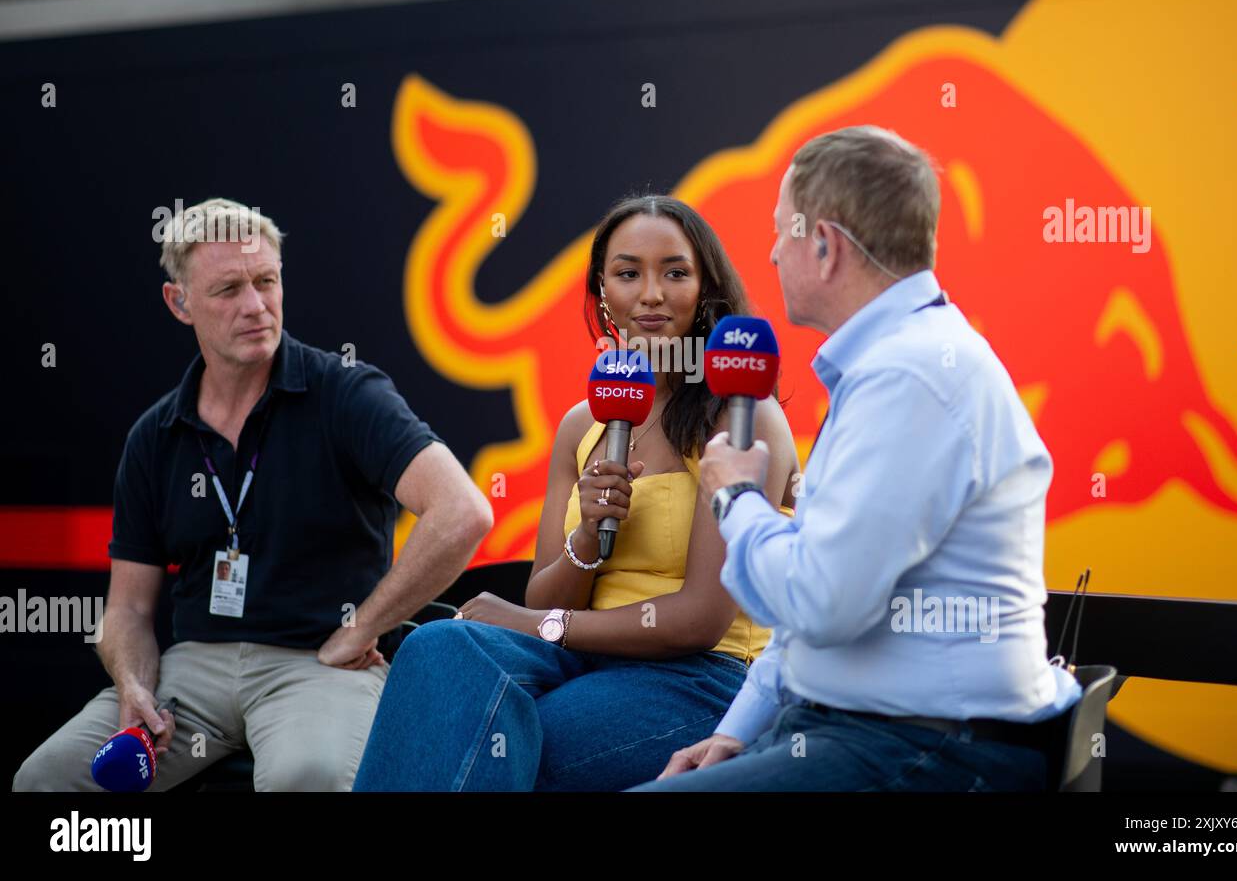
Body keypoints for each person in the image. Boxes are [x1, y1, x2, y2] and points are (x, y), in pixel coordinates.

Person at [633, 127, 1081, 792]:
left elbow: (822, 601)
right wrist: (736, 731)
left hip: (923, 750)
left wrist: (736, 499)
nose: (771, 253)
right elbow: (818, 605)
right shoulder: (900, 361)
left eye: (783, 232)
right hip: (874, 733)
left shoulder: (910, 375)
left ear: (824, 244)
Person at [13, 198, 492, 792]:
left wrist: (362, 627)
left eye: (266, 281)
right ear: (179, 302)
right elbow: (128, 610)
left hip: (317, 664)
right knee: (45, 780)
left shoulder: (345, 394)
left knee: (306, 777)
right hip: (191, 674)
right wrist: (134, 685)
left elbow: (463, 511)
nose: (256, 306)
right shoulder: (156, 435)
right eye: (228, 289)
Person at [353, 195, 799, 791]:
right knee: (436, 647)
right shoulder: (581, 425)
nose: (651, 294)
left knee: (498, 740)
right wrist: (587, 536)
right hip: (581, 659)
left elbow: (698, 619)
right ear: (602, 291)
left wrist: (542, 625)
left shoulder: (741, 418)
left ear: (705, 287)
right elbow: (546, 589)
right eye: (627, 273)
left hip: (701, 675)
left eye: (674, 272)